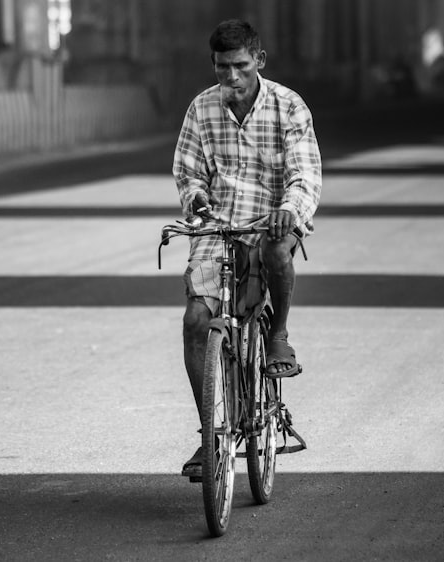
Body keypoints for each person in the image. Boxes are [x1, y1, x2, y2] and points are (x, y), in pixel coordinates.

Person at [172, 20, 322, 479]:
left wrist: (290, 208)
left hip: (271, 219)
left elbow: (305, 174)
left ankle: (277, 335)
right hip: (218, 226)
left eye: (240, 66)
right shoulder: (201, 108)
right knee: (198, 320)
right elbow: (188, 171)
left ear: (258, 61)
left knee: (277, 252)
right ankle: (208, 436)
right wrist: (195, 196)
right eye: (222, 69)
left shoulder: (288, 106)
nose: (231, 78)